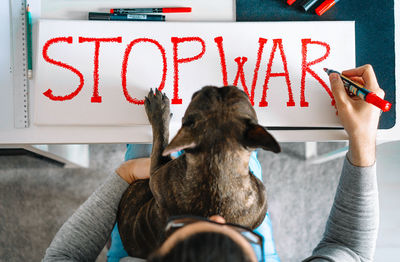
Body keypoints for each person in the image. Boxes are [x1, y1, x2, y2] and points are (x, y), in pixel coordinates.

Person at [43, 64, 383, 262]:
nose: (216, 217)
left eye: (180, 226)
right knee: (238, 153)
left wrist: (125, 174)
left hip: (141, 230)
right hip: (233, 206)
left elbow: (62, 258)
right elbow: (349, 247)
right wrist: (363, 138)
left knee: (140, 148)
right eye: (242, 236)